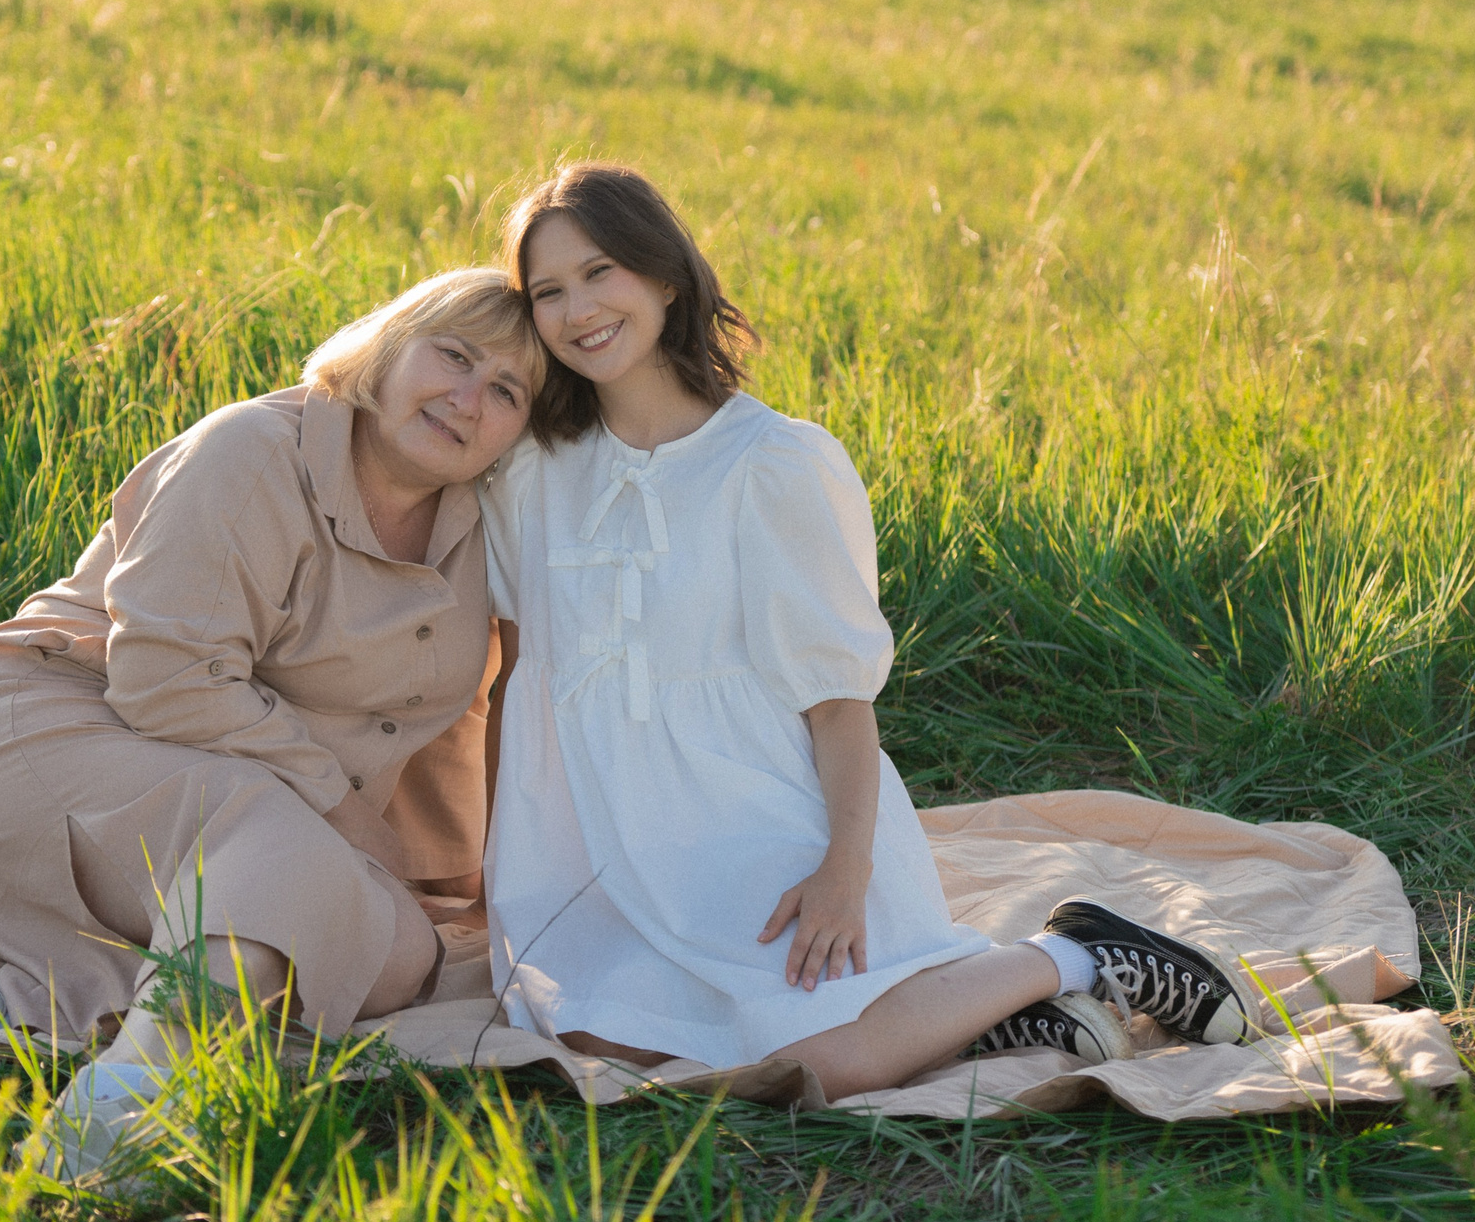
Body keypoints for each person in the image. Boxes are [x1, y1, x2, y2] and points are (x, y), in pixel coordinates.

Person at [483, 165, 1253, 1101]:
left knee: (815, 1065)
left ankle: (1074, 952)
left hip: (752, 817)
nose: (578, 311)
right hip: (597, 840)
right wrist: (502, 860)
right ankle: (981, 1015)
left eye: (600, 272)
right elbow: (515, 676)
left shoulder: (769, 464)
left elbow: (837, 699)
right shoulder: (529, 472)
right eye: (548, 291)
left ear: (665, 277)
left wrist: (844, 868)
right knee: (584, 1026)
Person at [0, 267, 541, 1171]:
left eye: (508, 390)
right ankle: (129, 1102)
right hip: (55, 729)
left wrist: (444, 862)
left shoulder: (483, 523)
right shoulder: (251, 453)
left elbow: (453, 711)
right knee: (294, 858)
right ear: (389, 346)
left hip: (235, 788)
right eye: (453, 355)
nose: (468, 398)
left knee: (401, 955)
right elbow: (166, 680)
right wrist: (343, 812)